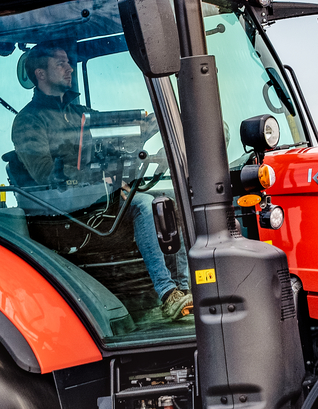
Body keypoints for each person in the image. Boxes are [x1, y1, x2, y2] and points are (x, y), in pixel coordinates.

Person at [12, 42, 191, 318]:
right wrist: (100, 179)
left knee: (171, 197)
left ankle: (185, 289)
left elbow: (109, 144)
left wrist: (154, 126)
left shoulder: (78, 113)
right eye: (60, 63)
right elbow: (45, 175)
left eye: (68, 62)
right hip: (62, 210)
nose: (69, 67)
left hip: (94, 196)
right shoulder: (28, 122)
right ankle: (168, 293)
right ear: (41, 74)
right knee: (144, 205)